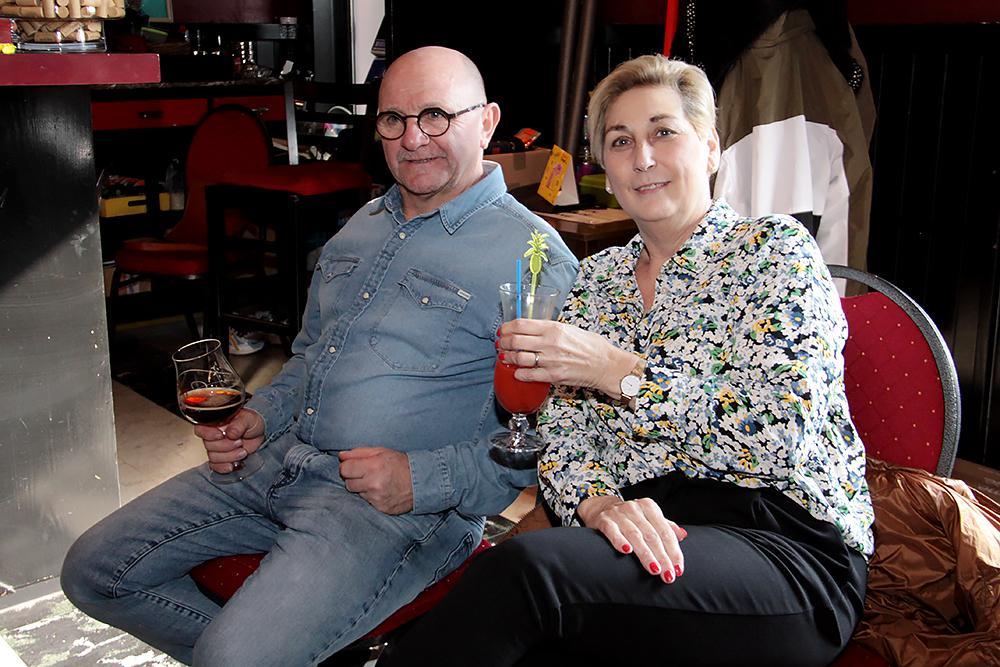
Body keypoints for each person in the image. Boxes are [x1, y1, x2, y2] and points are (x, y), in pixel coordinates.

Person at [60, 46, 578, 666]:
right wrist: (262, 416)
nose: (413, 138)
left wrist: (421, 479)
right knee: (94, 572)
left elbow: (556, 442)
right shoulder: (361, 224)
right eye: (393, 119)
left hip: (396, 512)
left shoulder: (532, 261)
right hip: (277, 462)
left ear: (487, 121)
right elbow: (309, 357)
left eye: (436, 116)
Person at [377, 54, 874, 666]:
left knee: (528, 574)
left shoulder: (774, 253)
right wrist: (598, 504)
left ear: (710, 149)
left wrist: (619, 371)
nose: (642, 158)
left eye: (663, 132)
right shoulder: (598, 280)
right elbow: (561, 434)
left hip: (784, 547)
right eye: (620, 141)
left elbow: (778, 434)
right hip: (644, 531)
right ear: (606, 171)